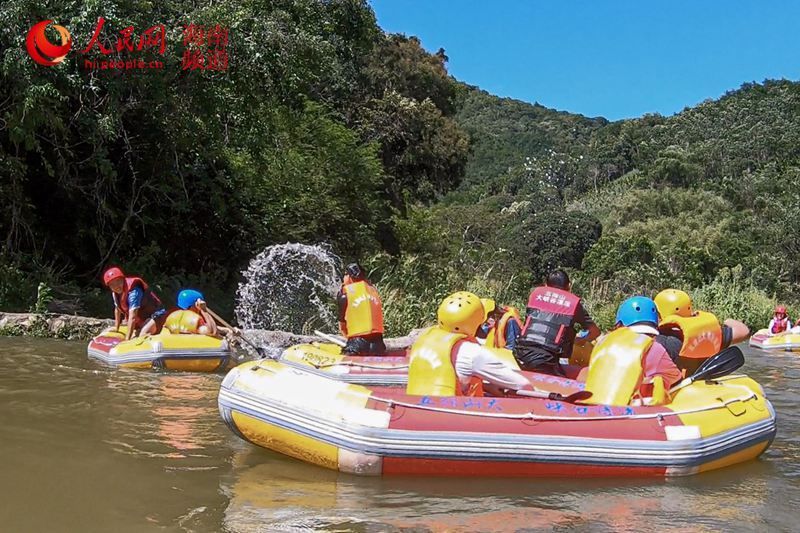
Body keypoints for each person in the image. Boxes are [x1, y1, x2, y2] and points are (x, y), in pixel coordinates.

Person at [407, 291, 531, 397]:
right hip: (450, 411)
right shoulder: (471, 352)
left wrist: (486, 387)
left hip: (415, 406)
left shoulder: (424, 338)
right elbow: (522, 384)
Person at [513, 269, 601, 376]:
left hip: (519, 353)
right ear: (569, 286)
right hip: (545, 360)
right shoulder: (574, 304)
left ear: (546, 285)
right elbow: (595, 332)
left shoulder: (536, 294)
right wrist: (580, 340)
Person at [654, 288, 749, 373]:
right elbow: (744, 331)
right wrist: (727, 321)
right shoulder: (707, 332)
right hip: (703, 384)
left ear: (658, 314)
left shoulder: (658, 340)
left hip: (678, 387)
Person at [103, 267, 167, 340]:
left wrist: (127, 340)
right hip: (144, 319)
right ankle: (142, 329)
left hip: (157, 315)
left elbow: (132, 317)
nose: (116, 286)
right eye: (112, 284)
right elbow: (117, 309)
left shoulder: (134, 291)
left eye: (118, 281)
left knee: (142, 335)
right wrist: (116, 328)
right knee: (136, 334)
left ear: (123, 279)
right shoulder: (115, 293)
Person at [337, 263, 386, 355]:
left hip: (358, 344)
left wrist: (349, 340)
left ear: (349, 277)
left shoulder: (344, 296)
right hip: (378, 345)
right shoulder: (373, 291)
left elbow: (342, 326)